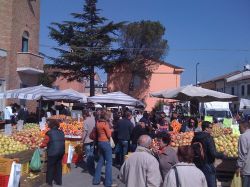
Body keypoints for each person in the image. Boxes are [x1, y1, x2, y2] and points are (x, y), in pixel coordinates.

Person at [192, 121, 225, 187]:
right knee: (211, 184)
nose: (212, 129)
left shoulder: (195, 137)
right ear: (206, 128)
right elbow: (213, 153)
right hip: (208, 164)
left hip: (198, 163)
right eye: (210, 127)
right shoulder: (208, 138)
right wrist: (222, 155)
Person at [92, 110, 116, 187]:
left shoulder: (98, 123)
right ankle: (108, 183)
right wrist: (111, 130)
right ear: (106, 116)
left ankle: (96, 180)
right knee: (109, 162)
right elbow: (109, 135)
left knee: (100, 161)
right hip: (105, 143)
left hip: (100, 143)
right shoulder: (105, 124)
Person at [40, 119, 65, 186]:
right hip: (61, 151)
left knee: (50, 167)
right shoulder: (61, 132)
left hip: (53, 152)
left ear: (51, 125)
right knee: (58, 166)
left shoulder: (49, 133)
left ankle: (49, 183)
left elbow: (44, 143)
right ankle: (59, 181)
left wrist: (41, 145)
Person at [237, 120, 250, 187]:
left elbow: (242, 153)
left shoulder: (243, 137)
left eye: (239, 127)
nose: (238, 129)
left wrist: (239, 167)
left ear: (244, 127)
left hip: (247, 169)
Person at [82, 110, 95, 175]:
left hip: (87, 139)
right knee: (91, 154)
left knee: (87, 155)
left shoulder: (85, 121)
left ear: (84, 115)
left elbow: (85, 132)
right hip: (92, 139)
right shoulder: (93, 119)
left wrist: (82, 140)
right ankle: (92, 166)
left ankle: (88, 168)